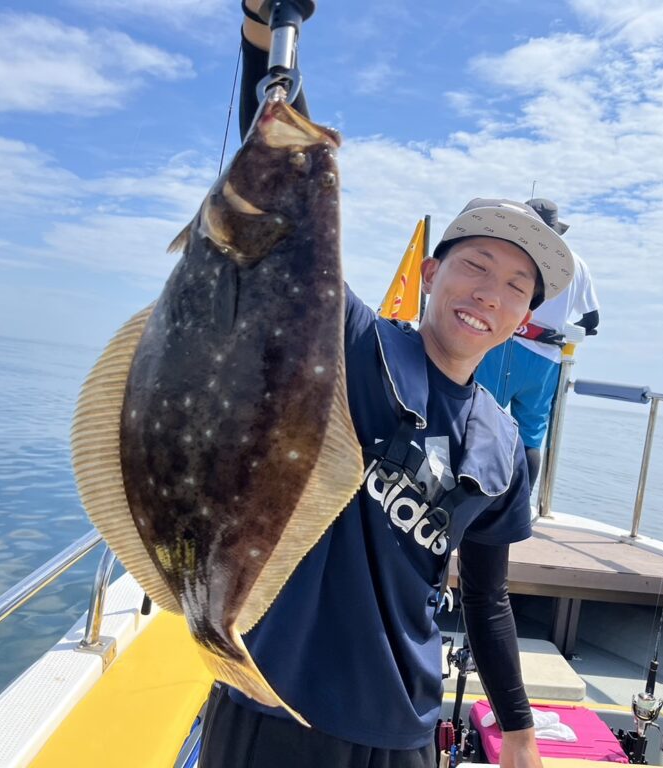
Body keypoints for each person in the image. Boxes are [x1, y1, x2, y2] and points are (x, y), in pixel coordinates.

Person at [197, 5, 575, 768]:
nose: (490, 293)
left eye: (516, 286)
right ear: (431, 274)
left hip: (403, 728)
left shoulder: (503, 447)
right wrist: (263, 35)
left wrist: (520, 730)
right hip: (272, 700)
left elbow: (487, 599)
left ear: (524, 319)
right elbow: (283, 191)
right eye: (476, 266)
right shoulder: (353, 344)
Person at [476, 199, 599, 488]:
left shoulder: (520, 252)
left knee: (479, 423)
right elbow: (592, 321)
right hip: (548, 363)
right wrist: (558, 334)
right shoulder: (578, 264)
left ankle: (475, 497)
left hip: (506, 348)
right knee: (531, 439)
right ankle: (521, 505)